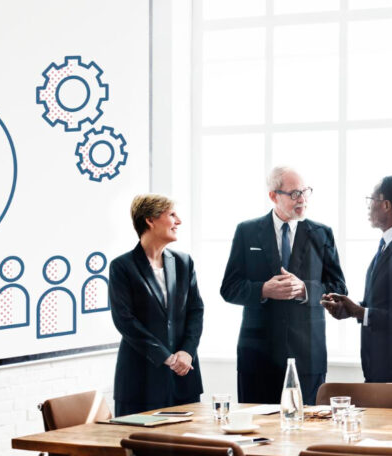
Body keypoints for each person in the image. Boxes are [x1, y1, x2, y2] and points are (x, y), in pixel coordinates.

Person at [220, 166, 346, 405]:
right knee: (258, 435)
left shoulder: (322, 234)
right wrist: (263, 290)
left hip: (308, 354)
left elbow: (339, 288)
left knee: (307, 431)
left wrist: (305, 289)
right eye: (295, 194)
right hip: (257, 355)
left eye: (306, 192)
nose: (303, 199)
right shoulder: (246, 231)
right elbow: (229, 288)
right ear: (273, 196)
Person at [322, 175, 392, 384]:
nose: (368, 207)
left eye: (371, 200)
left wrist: (360, 312)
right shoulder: (389, 244)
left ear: (386, 205)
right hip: (380, 367)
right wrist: (351, 310)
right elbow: (385, 304)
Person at [109, 195, 204, 416]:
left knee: (187, 446)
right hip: (139, 380)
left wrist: (187, 352)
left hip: (183, 377)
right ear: (150, 220)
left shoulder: (184, 262)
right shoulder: (122, 267)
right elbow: (125, 320)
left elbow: (196, 310)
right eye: (172, 215)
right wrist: (167, 358)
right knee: (140, 448)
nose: (178, 221)